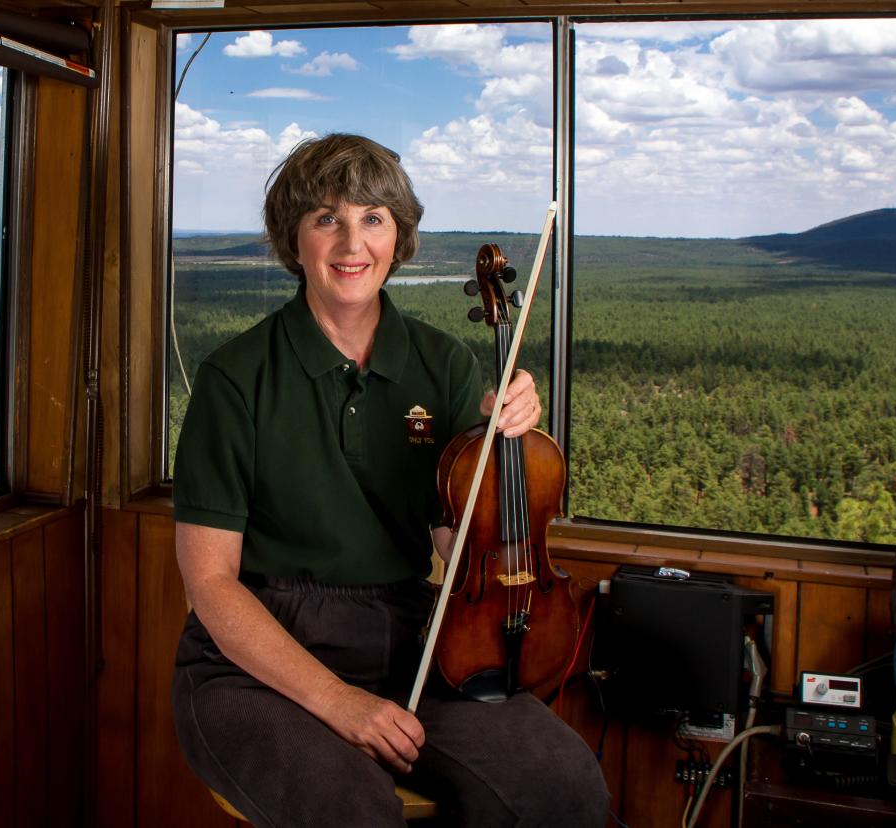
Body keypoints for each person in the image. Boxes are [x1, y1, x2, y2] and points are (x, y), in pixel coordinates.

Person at [171, 133, 609, 827]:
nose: (352, 243)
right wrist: (339, 702)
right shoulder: (236, 380)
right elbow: (212, 585)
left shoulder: (442, 365)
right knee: (351, 810)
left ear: (398, 235)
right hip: (258, 659)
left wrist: (503, 448)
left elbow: (458, 537)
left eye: (373, 218)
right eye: (326, 218)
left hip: (414, 640)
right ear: (295, 239)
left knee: (563, 784)